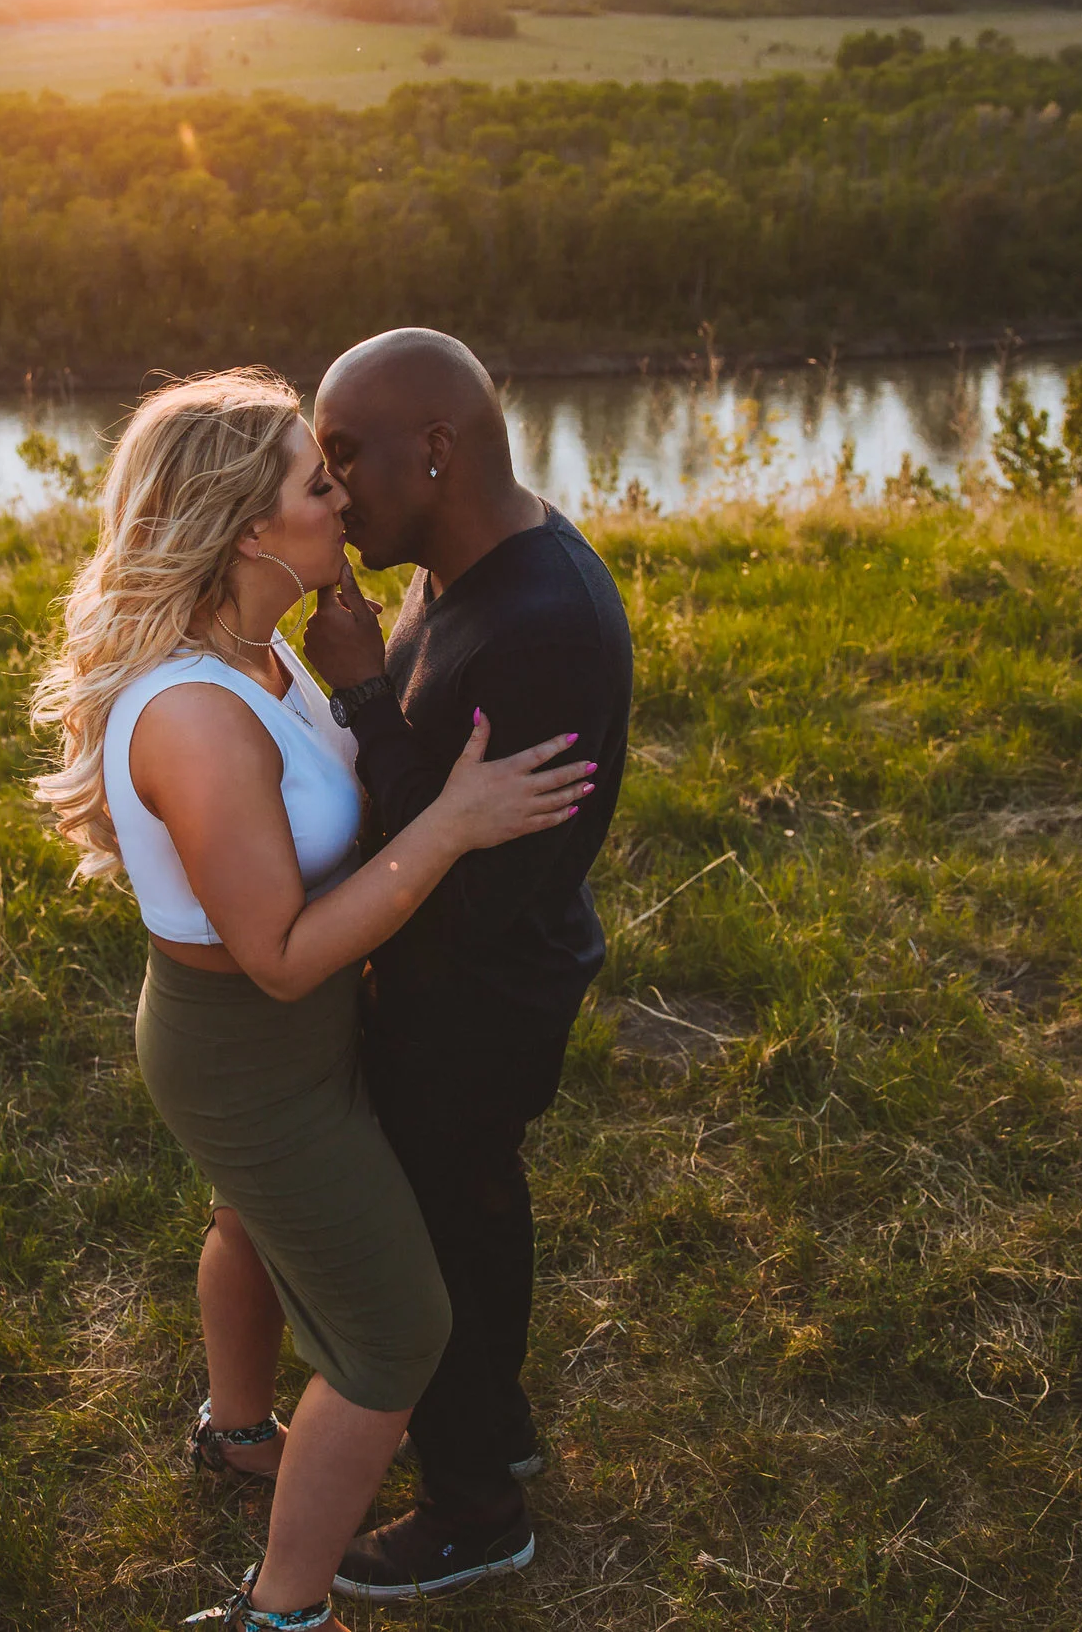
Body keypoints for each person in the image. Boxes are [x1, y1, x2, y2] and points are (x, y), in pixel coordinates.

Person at [30, 368, 602, 1631]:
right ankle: (282, 1612)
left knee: (245, 1219)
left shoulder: (257, 643)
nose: (341, 495)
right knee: (396, 1336)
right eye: (314, 479)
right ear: (245, 524)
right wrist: (448, 823)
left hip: (289, 1030)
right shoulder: (191, 713)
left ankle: (237, 1432)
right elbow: (282, 954)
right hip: (251, 1046)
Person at [301, 329, 634, 1602]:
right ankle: (498, 1423)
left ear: (435, 450)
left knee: (433, 1240)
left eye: (345, 459)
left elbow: (458, 874)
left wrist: (362, 697)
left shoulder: (540, 624)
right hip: (468, 981)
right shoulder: (463, 568)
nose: (333, 492)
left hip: (476, 997)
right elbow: (440, 813)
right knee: (475, 1212)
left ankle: (473, 1504)